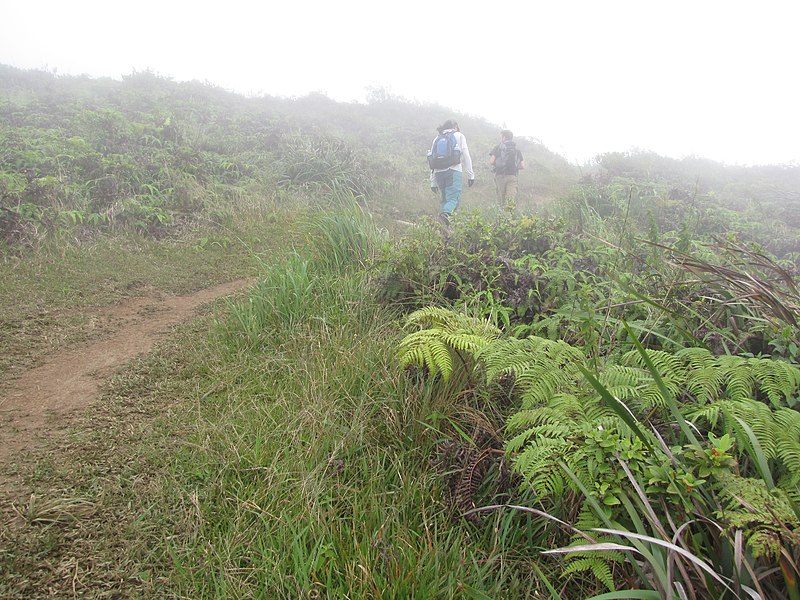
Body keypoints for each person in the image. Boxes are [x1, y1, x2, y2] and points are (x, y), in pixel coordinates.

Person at [429, 119, 474, 225]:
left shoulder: (437, 138)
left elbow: (432, 160)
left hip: (438, 172)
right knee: (453, 199)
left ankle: (444, 226)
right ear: (455, 126)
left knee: (445, 199)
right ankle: (445, 217)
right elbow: (466, 156)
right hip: (453, 171)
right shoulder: (459, 135)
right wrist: (471, 175)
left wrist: (433, 182)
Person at [489, 129, 525, 206]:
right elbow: (522, 166)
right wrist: (514, 167)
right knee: (510, 200)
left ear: (504, 137)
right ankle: (509, 216)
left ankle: (501, 216)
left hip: (500, 176)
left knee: (501, 201)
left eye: (501, 137)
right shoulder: (517, 150)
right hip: (512, 176)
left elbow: (491, 161)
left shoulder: (498, 148)